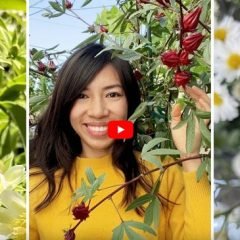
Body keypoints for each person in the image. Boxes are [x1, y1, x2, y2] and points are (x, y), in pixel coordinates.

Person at [30, 43, 210, 240]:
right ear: (65, 104)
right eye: (82, 95)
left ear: (129, 103)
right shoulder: (37, 182)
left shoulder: (162, 173)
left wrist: (190, 155)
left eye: (112, 94)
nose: (98, 111)